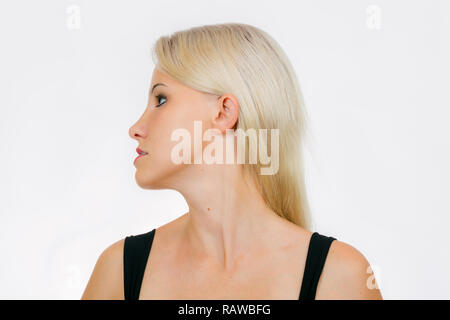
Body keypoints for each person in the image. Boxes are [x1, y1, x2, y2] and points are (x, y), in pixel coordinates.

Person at [81, 23, 382, 300]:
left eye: (160, 100)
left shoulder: (340, 278)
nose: (136, 128)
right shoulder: (118, 272)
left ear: (225, 112)